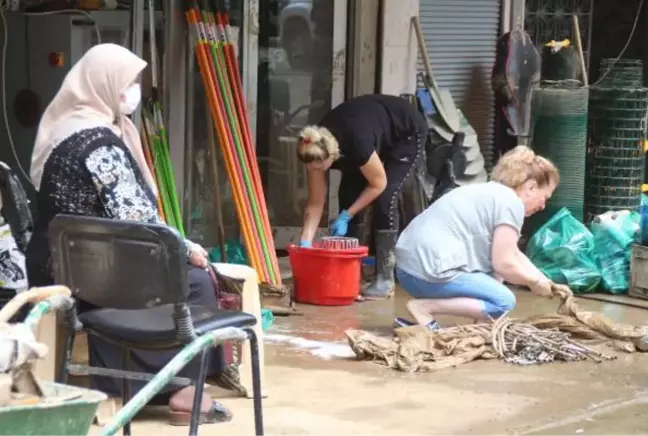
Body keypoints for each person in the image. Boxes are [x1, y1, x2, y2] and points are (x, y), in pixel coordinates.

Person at [25, 43, 231, 426]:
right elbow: (138, 221)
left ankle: (134, 381)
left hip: (56, 264)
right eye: (128, 83)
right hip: (93, 277)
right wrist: (186, 247)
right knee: (198, 281)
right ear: (104, 85)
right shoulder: (102, 146)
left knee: (162, 272)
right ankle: (184, 391)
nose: (133, 92)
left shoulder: (64, 128)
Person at [394, 146, 559, 329]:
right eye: (545, 197)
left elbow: (513, 253)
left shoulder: (492, 192)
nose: (543, 205)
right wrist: (533, 283)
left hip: (408, 271)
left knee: (494, 273)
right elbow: (504, 264)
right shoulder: (511, 203)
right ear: (531, 187)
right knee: (503, 301)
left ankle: (481, 325)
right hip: (425, 273)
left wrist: (543, 279)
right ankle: (423, 308)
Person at [297, 94, 428, 299]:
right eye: (311, 168)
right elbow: (315, 204)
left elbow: (378, 183)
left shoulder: (357, 144)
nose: (316, 170)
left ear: (332, 156)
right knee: (348, 195)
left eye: (320, 167)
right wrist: (304, 244)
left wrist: (346, 216)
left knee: (386, 198)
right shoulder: (314, 147)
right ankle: (351, 273)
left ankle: (385, 279)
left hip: (406, 130)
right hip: (366, 132)